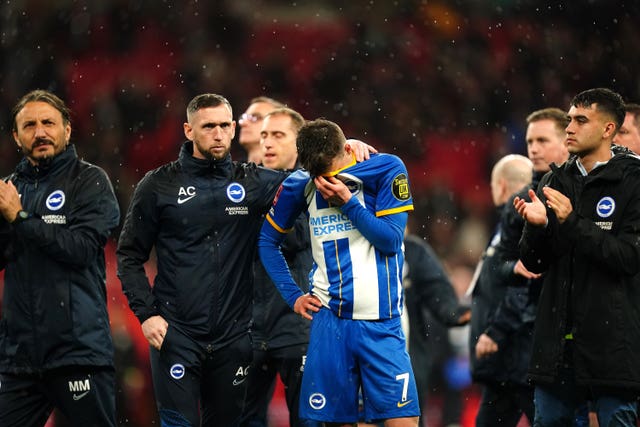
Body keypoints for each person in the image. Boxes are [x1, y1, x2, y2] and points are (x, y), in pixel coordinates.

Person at [116, 95, 374, 426]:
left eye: (225, 125)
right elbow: (129, 255)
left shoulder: (251, 182)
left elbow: (309, 181)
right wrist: (147, 314)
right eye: (208, 126)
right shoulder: (158, 185)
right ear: (188, 130)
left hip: (233, 341)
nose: (219, 133)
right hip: (176, 334)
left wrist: (344, 150)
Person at [258, 119, 419, 427]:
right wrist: (293, 296)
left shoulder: (385, 168)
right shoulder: (300, 183)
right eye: (318, 176)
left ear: (348, 149)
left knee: (403, 421)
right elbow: (267, 241)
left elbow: (390, 240)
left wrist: (348, 204)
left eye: (331, 172)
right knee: (337, 422)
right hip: (330, 323)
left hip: (381, 321)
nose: (326, 181)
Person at [514, 88, 640, 426]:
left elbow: (629, 257)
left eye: (581, 120)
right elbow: (534, 262)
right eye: (569, 119)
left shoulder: (633, 182)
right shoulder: (555, 180)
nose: (569, 127)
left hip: (613, 345)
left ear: (608, 130)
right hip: (556, 348)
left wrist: (572, 222)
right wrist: (538, 228)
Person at [0, 89, 120, 426]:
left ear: (67, 129)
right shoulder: (8, 190)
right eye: (30, 125)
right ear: (16, 136)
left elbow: (80, 250)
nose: (40, 132)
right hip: (19, 359)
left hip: (77, 354)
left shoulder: (90, 181)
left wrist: (20, 218)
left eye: (48, 123)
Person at [240, 107, 319, 427]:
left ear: (299, 144)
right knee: (243, 420)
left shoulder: (315, 187)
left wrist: (264, 207)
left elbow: (296, 238)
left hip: (296, 324)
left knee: (307, 420)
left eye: (278, 135)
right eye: (264, 136)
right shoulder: (245, 187)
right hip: (247, 326)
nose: (267, 143)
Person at [468, 153, 535, 426]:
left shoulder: (522, 223)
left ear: (503, 186)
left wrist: (496, 330)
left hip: (517, 354)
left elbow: (525, 283)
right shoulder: (503, 228)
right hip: (505, 363)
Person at [402, 230, 471, 427]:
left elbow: (439, 291)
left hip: (409, 358)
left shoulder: (413, 252)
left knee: (410, 416)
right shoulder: (351, 248)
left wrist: (454, 311)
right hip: (362, 355)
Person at [238, 96, 285, 164]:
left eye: (255, 117)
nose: (243, 123)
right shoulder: (231, 172)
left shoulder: (293, 174)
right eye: (244, 118)